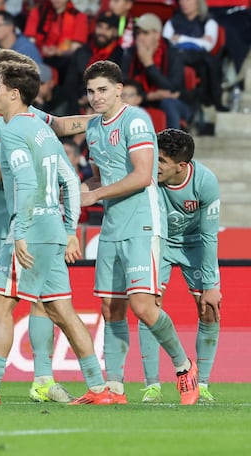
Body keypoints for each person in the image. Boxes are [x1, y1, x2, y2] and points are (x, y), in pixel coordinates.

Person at [0, 57, 115, 406]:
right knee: (14, 303)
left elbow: (24, 174)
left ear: (10, 91)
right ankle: (99, 388)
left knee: (3, 303)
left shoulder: (20, 124)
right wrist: (69, 227)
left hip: (22, 225)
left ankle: (4, 387)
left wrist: (106, 115)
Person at [81, 60, 199, 405]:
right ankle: (114, 389)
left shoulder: (135, 120)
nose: (96, 97)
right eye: (90, 91)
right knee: (109, 307)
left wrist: (95, 195)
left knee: (143, 306)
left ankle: (183, 366)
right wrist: (73, 190)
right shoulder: (93, 128)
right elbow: (100, 178)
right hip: (111, 225)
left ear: (119, 89)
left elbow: (142, 175)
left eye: (102, 90)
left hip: (142, 223)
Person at [139, 128, 221, 403]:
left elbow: (210, 236)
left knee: (209, 308)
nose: (154, 164)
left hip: (194, 245)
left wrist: (210, 286)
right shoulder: (147, 173)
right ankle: (152, 385)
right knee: (148, 305)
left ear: (181, 166)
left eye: (161, 160)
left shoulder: (205, 182)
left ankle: (203, 383)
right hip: (158, 242)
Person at [122, 13, 195, 130]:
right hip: (141, 99)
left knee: (168, 103)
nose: (140, 37)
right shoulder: (130, 54)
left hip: (177, 103)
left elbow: (173, 88)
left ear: (157, 35)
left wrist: (149, 65)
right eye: (138, 33)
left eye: (145, 33)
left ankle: (172, 145)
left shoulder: (173, 53)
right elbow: (124, 84)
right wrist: (149, 96)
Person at [162, 0, 228, 112]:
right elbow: (166, 40)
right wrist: (197, 41)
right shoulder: (172, 21)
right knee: (176, 55)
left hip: (199, 57)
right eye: (182, 1)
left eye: (188, 0)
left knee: (210, 62)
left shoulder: (209, 22)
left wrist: (181, 39)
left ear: (198, 3)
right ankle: (174, 92)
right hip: (175, 55)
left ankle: (213, 100)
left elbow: (207, 45)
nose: (184, 3)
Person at [60, 10, 123, 115]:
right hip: (78, 103)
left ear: (115, 32)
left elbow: (118, 84)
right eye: (100, 27)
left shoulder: (120, 56)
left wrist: (93, 99)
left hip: (107, 104)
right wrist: (81, 99)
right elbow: (70, 83)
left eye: (108, 29)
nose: (102, 32)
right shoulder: (82, 52)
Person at [24, 0, 89, 84]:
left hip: (64, 64)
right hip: (38, 59)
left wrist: (58, 52)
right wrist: (41, 49)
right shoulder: (37, 12)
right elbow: (29, 42)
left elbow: (76, 50)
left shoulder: (79, 17)